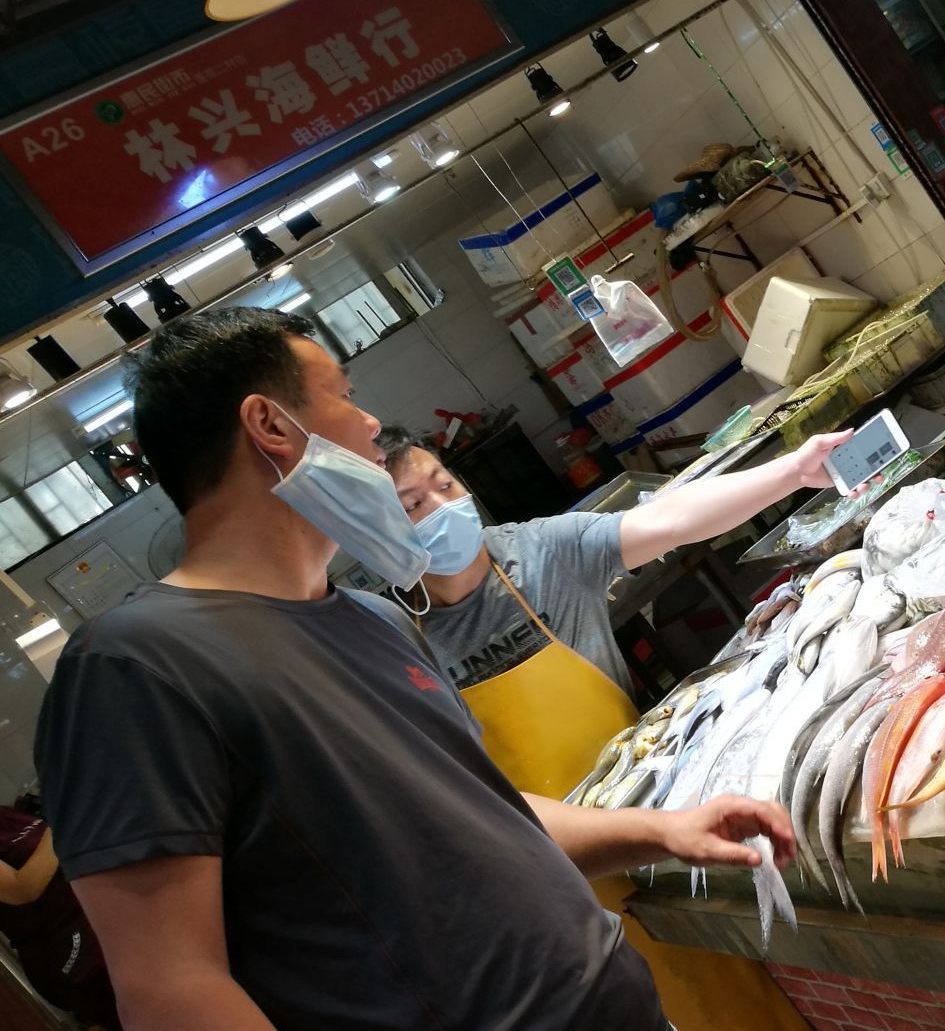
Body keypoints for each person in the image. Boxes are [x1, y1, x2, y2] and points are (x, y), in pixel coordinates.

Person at [33, 305, 796, 1030]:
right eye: (344, 396)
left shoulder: (375, 619)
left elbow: (483, 815)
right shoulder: (137, 664)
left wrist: (661, 829)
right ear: (271, 425)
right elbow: (171, 988)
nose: (371, 424)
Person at [371, 423, 848, 796]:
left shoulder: (543, 551)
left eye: (446, 485)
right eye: (413, 505)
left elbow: (668, 519)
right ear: (378, 532)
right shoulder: (386, 637)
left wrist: (793, 472)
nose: (443, 506)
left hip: (642, 784)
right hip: (544, 837)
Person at [0, 794, 117, 1030]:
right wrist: (63, 816)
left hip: (91, 917)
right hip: (67, 948)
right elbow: (22, 888)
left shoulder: (4, 815)